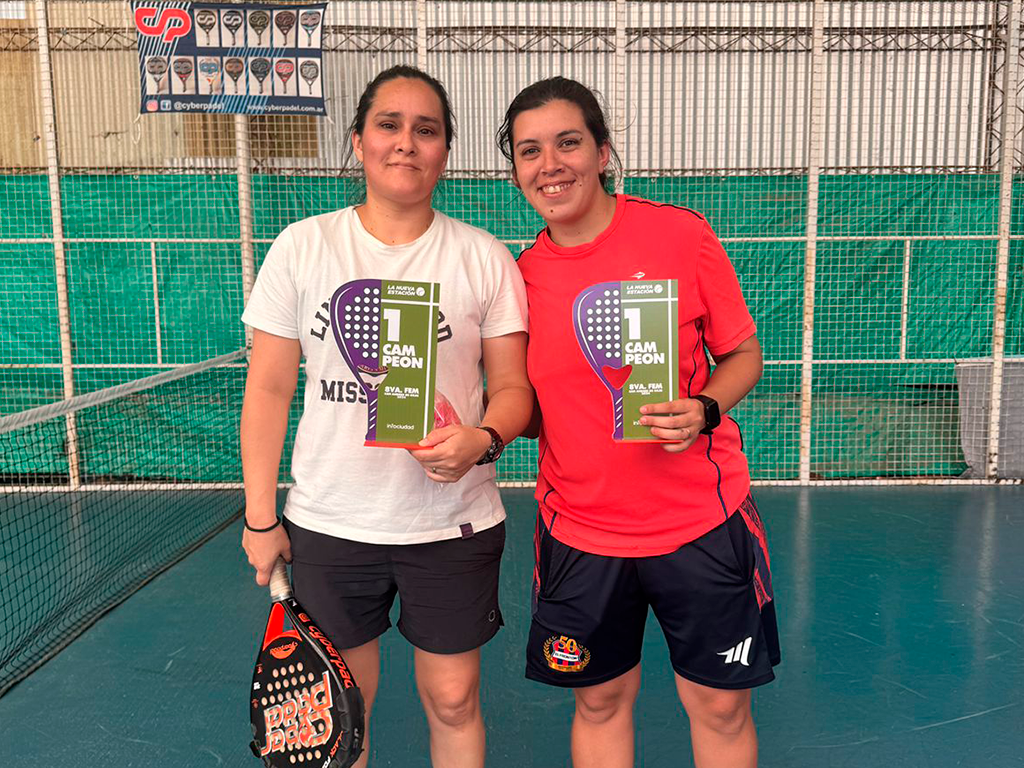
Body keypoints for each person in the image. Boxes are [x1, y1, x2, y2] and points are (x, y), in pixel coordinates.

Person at [241, 65, 532, 768]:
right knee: (346, 710)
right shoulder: (303, 245)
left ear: (444, 151)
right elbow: (270, 389)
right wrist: (258, 518)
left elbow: (515, 389)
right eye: (389, 125)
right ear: (358, 140)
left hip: (452, 525)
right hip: (332, 524)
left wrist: (481, 440)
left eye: (426, 130)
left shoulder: (482, 257)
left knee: (455, 700)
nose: (406, 143)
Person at [496, 77, 780, 768]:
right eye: (529, 151)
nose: (550, 164)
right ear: (515, 170)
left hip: (700, 523)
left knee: (719, 704)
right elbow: (531, 407)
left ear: (602, 151)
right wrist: (478, 425)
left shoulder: (679, 234)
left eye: (568, 142)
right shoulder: (518, 276)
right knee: (598, 701)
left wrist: (705, 406)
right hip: (582, 534)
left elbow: (743, 353)